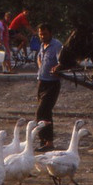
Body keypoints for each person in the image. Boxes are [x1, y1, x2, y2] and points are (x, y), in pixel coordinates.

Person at [35, 22, 62, 151]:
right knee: (43, 113)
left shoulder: (56, 45)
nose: (42, 36)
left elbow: (61, 61)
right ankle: (43, 141)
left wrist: (56, 68)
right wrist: (41, 66)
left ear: (50, 33)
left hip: (52, 83)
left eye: (44, 34)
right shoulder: (42, 45)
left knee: (43, 111)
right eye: (40, 34)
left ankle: (49, 142)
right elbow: (39, 57)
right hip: (42, 82)